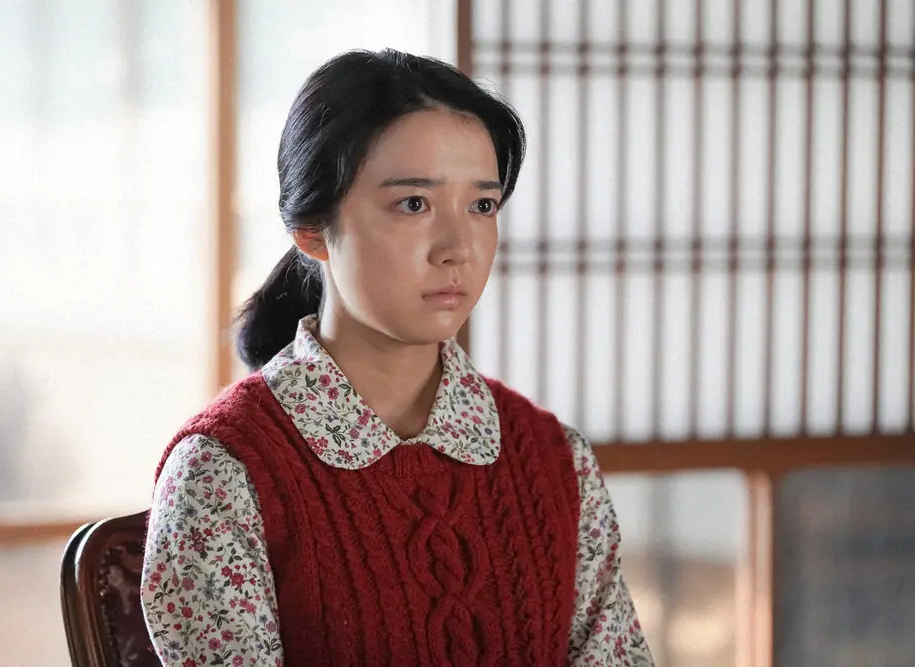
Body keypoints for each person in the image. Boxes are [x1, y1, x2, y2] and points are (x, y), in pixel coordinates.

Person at [141, 49, 654, 667]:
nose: (458, 248)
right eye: (414, 204)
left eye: (482, 206)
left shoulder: (557, 461)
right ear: (312, 228)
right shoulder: (224, 472)